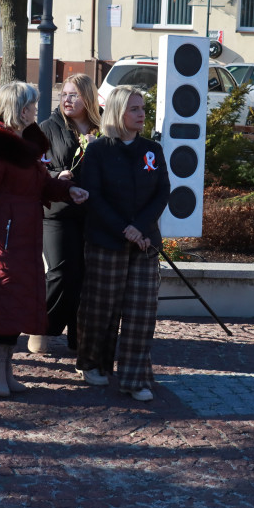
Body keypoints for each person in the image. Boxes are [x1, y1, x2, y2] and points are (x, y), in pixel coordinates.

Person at [0, 82, 88, 397]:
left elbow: (42, 184)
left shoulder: (25, 144)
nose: (35, 111)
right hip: (1, 240)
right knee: (2, 307)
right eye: (31, 106)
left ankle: (4, 369)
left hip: (23, 238)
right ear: (20, 109)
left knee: (15, 307)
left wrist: (68, 191)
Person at [75, 86, 170, 402]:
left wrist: (140, 229)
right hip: (106, 240)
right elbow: (94, 196)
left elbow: (162, 192)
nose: (141, 114)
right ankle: (93, 362)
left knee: (141, 311)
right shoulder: (99, 150)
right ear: (118, 111)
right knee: (101, 309)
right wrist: (124, 229)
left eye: (142, 108)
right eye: (134, 109)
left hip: (144, 243)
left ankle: (135, 378)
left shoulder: (152, 150)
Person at [33, 74, 103, 354]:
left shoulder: (101, 129)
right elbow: (35, 166)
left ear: (88, 98)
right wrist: (54, 174)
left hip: (91, 213)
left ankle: (79, 337)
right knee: (61, 271)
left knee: (85, 277)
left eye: (74, 95)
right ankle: (39, 325)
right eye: (64, 94)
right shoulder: (47, 128)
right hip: (57, 212)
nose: (67, 99)